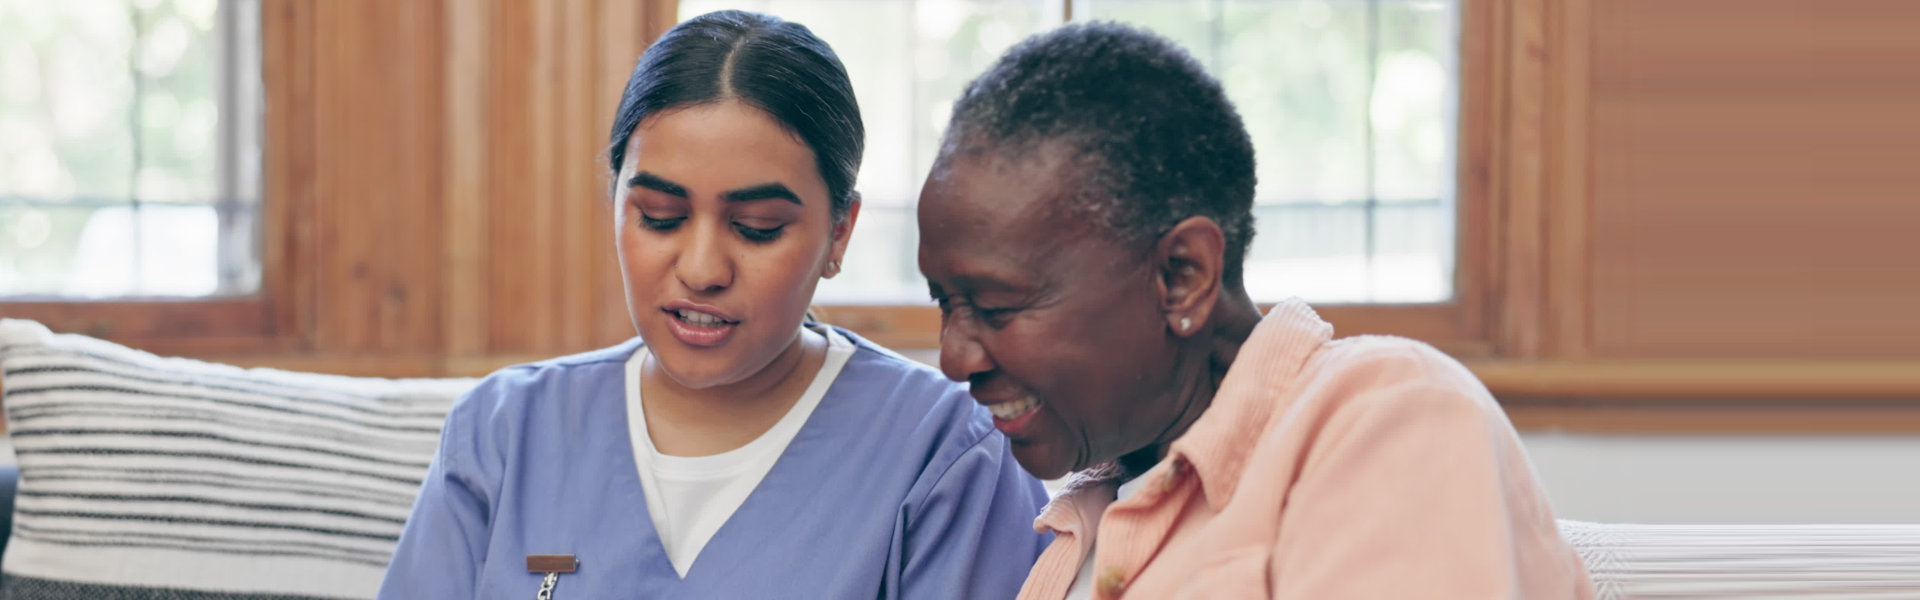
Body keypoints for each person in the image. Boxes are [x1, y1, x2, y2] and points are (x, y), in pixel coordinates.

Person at [380, 10, 1050, 599]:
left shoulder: (946, 456)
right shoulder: (504, 435)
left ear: (838, 232)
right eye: (661, 216)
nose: (700, 271)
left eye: (757, 227)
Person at [916, 22, 1594, 599]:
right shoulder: (1089, 510)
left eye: (996, 306)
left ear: (1182, 277)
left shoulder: (1389, 414)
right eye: (944, 302)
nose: (953, 357)